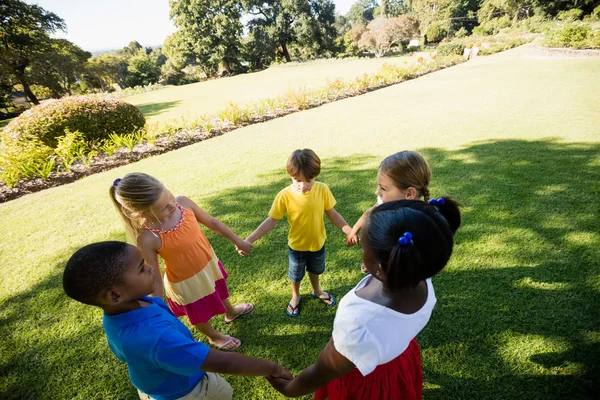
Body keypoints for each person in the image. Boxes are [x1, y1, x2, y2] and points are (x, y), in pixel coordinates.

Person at [266, 198, 461, 399]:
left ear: (379, 267)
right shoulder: (420, 272)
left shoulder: (359, 322)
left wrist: (289, 389)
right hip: (399, 360)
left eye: (364, 246)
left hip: (366, 385)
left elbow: (323, 372)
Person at [62, 241, 292, 400]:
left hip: (156, 384)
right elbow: (225, 363)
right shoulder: (154, 338)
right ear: (114, 295)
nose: (151, 268)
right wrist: (271, 367)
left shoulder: (121, 310)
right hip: (189, 392)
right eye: (142, 268)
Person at [110, 172, 253, 351]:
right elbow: (152, 274)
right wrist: (157, 305)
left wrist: (238, 240)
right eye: (163, 207)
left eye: (169, 196)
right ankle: (214, 337)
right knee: (198, 313)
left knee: (219, 289)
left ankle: (230, 312)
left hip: (208, 264)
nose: (172, 205)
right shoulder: (148, 238)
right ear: (141, 214)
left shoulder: (183, 203)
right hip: (186, 282)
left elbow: (212, 223)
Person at [246, 149, 352, 317]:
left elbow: (332, 213)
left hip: (318, 243)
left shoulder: (322, 189)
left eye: (308, 180)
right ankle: (296, 295)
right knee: (296, 274)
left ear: (316, 175)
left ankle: (317, 290)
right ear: (290, 176)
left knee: (316, 270)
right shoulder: (284, 195)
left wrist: (348, 230)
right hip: (296, 246)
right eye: (297, 180)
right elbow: (272, 220)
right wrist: (250, 239)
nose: (302, 185)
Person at [346, 151, 432, 273]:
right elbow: (369, 212)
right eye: (378, 186)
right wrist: (354, 230)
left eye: (383, 188)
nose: (377, 192)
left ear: (409, 194)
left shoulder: (415, 223)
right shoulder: (383, 203)